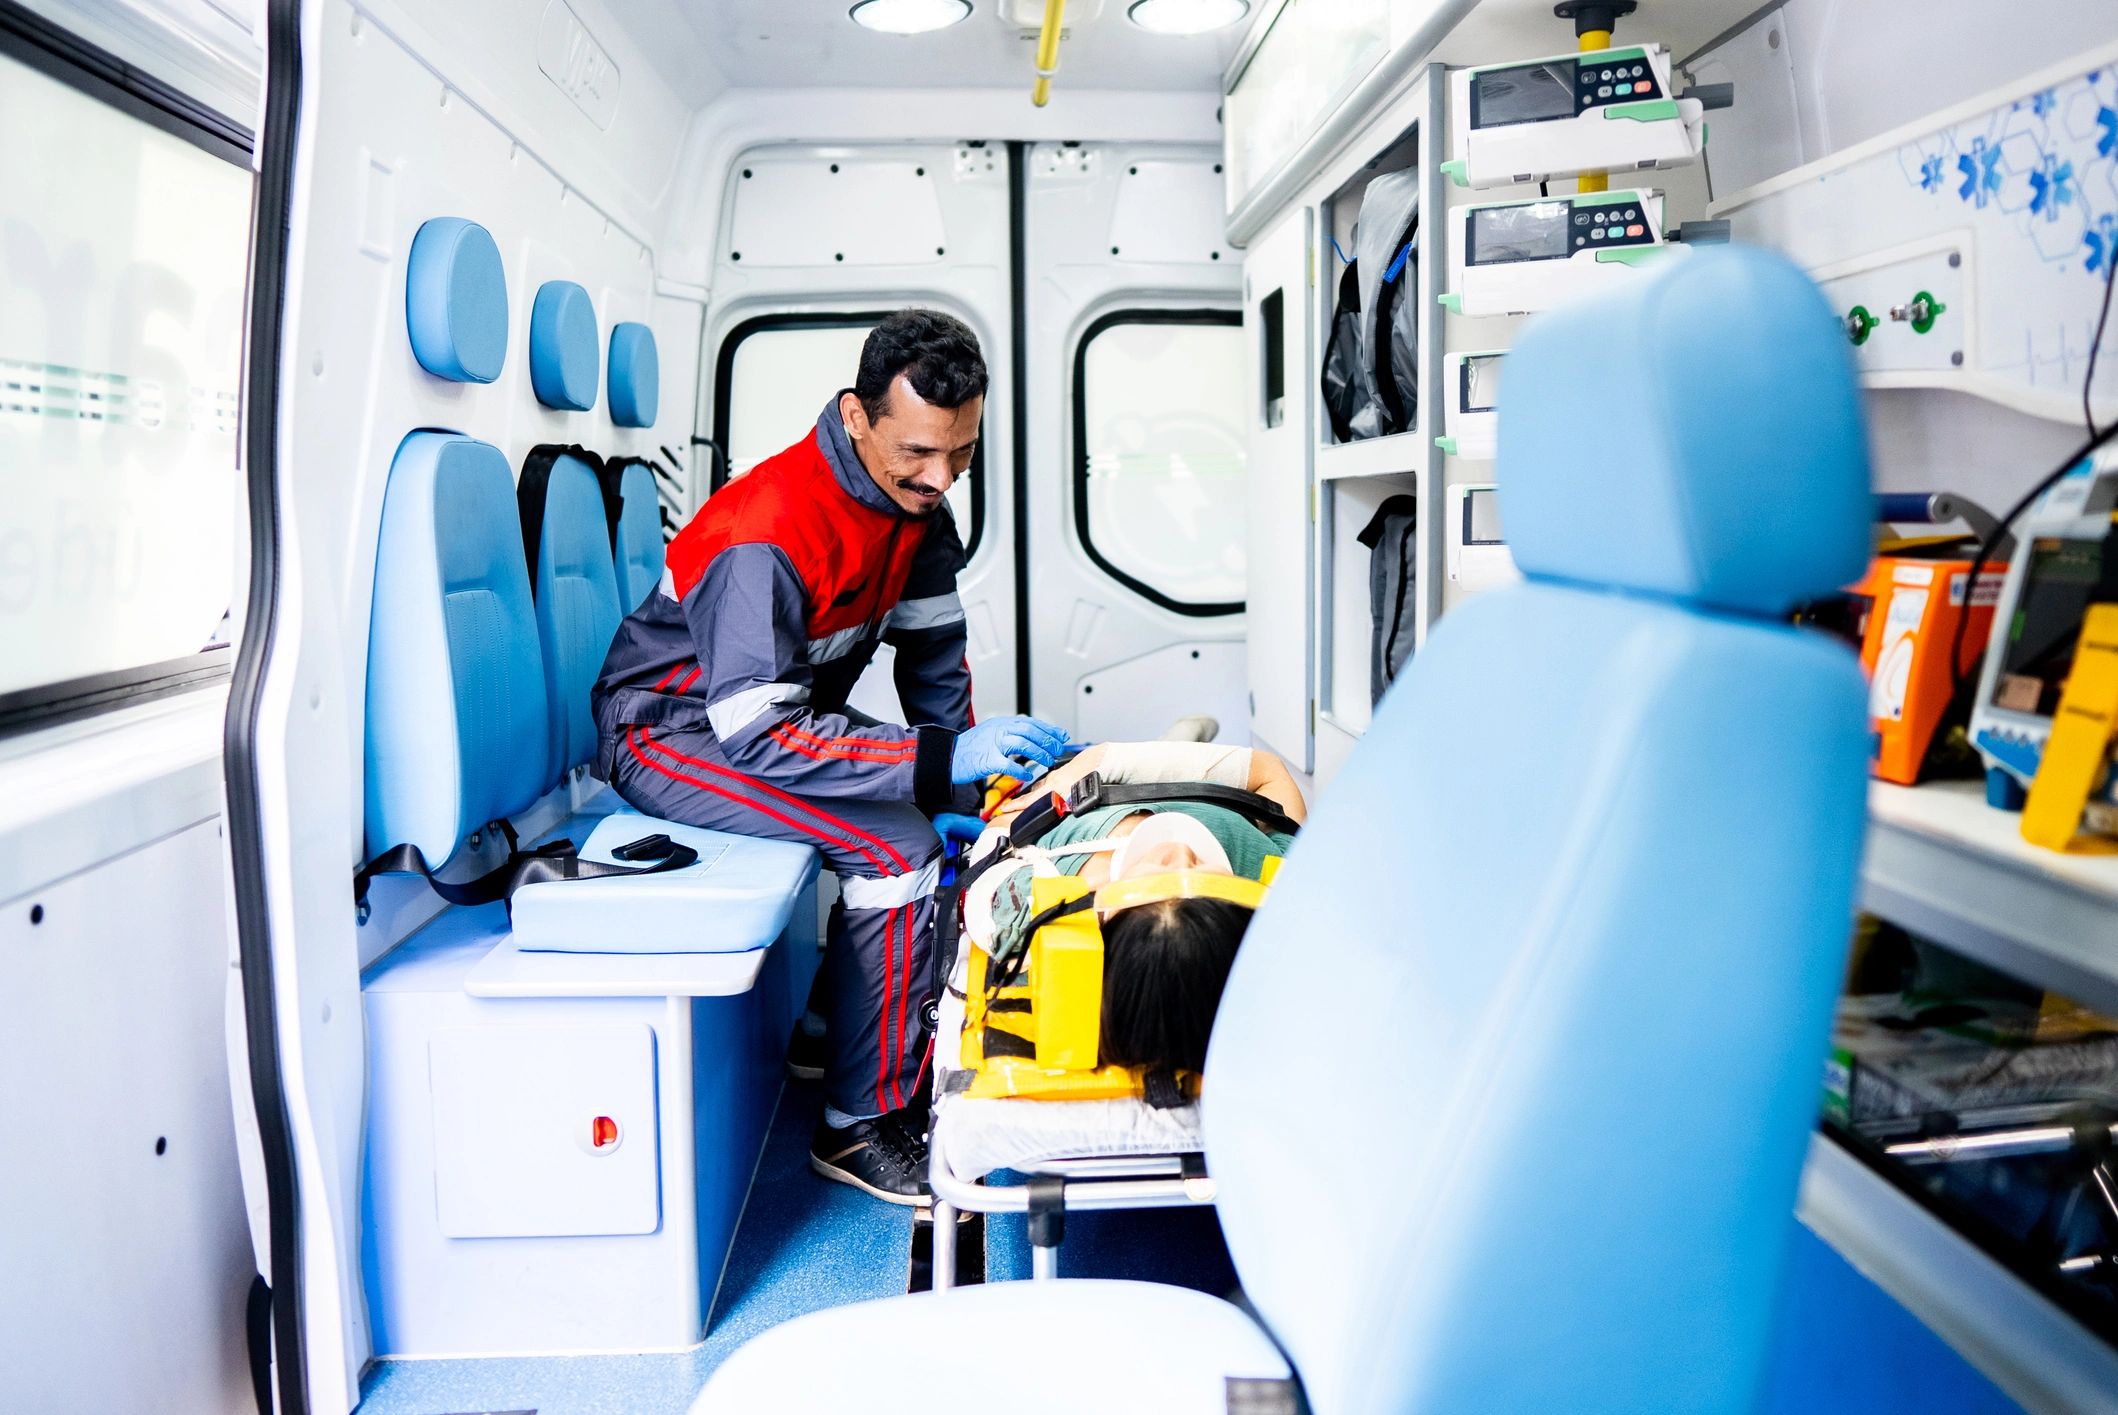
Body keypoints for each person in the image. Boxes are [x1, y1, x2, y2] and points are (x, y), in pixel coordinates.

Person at [591, 309, 1069, 1205]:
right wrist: (934, 765)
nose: (939, 478)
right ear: (858, 416)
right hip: (666, 731)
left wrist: (967, 779)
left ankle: (835, 1027)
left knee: (932, 831)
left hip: (762, 718)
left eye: (961, 454)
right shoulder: (767, 528)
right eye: (919, 453)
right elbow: (760, 731)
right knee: (895, 854)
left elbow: (931, 663)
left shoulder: (921, 515)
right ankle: (858, 1124)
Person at [963, 738, 1307, 1078]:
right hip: (1192, 782)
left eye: (1157, 879)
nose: (1179, 853)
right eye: (1202, 883)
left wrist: (1083, 769)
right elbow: (1269, 773)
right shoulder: (1277, 883)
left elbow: (996, 836)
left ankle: (1177, 737)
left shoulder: (1036, 906)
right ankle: (1180, 737)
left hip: (1072, 783)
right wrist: (1110, 759)